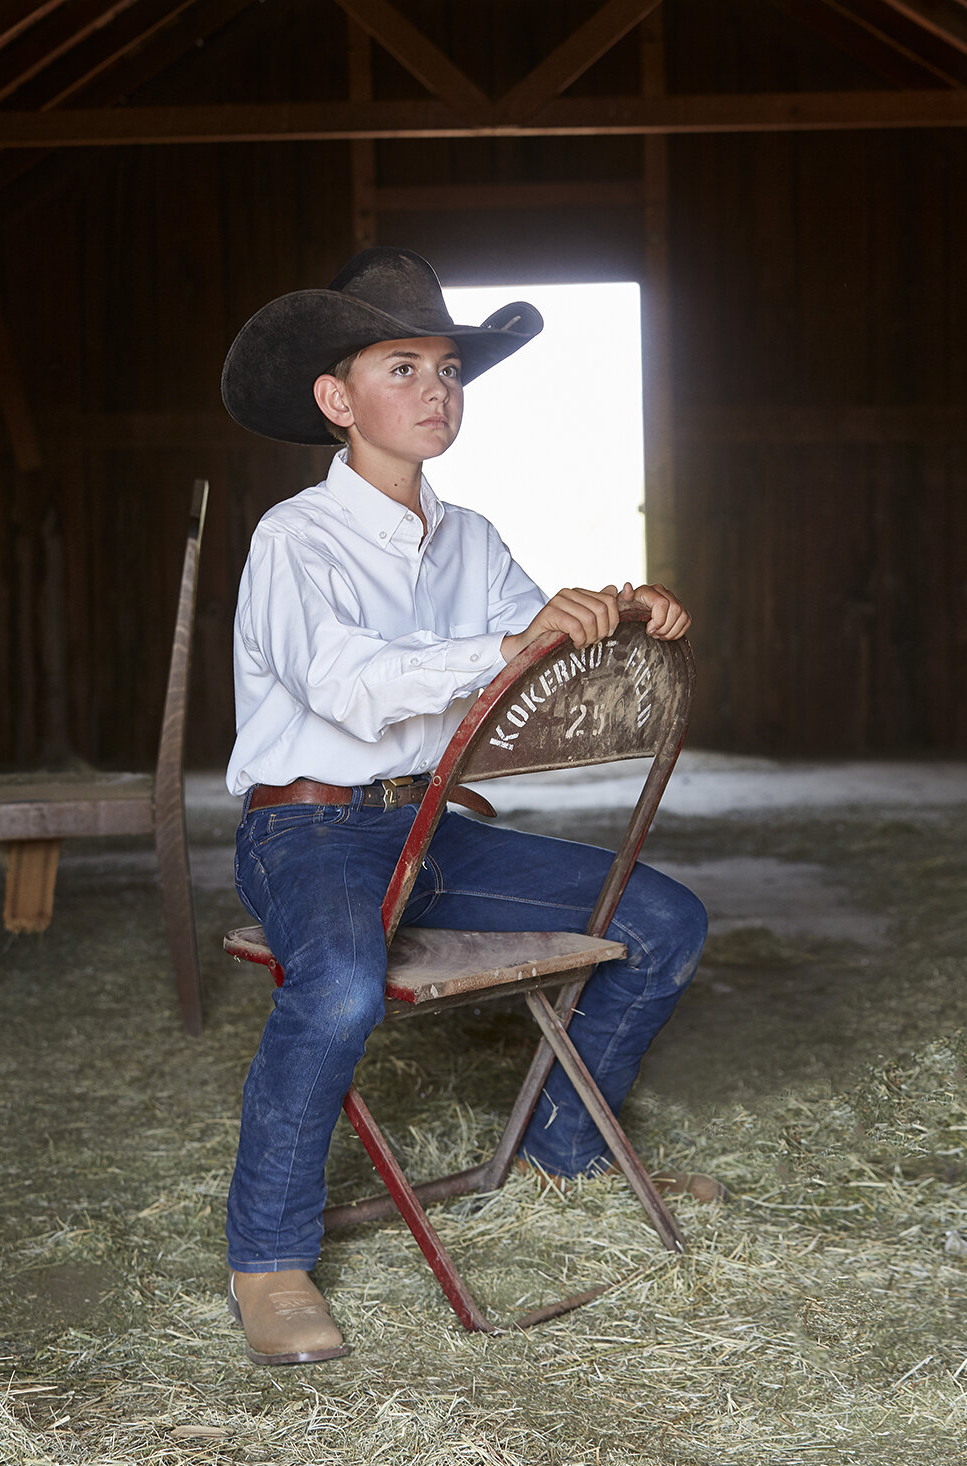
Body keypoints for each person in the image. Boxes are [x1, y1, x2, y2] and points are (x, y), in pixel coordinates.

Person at [220, 246, 709, 1366]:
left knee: (663, 922)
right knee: (339, 984)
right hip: (312, 830)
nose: (437, 391)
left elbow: (535, 656)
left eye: (448, 369)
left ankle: (559, 1157)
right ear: (337, 401)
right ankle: (269, 1258)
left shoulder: (472, 536)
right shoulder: (296, 541)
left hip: (434, 825)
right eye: (404, 368)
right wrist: (515, 639)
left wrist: (620, 610)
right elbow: (345, 684)